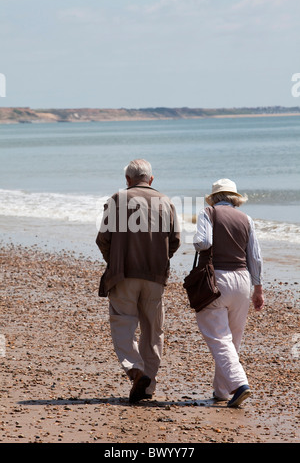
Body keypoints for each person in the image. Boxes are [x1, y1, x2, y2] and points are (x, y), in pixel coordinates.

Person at [96, 159, 180, 403]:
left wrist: (114, 260)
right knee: (153, 331)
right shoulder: (166, 202)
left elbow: (103, 239)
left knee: (123, 324)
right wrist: (159, 260)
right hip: (155, 276)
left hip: (124, 275)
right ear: (151, 179)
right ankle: (148, 386)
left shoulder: (118, 199)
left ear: (128, 180)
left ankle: (136, 370)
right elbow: (174, 241)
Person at [193, 178, 264, 408]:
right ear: (235, 198)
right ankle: (222, 390)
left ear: (214, 197)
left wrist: (198, 243)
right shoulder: (247, 219)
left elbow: (203, 242)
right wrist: (258, 288)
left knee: (218, 337)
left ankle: (239, 384)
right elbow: (255, 256)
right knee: (233, 338)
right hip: (242, 281)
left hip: (217, 280)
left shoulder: (208, 213)